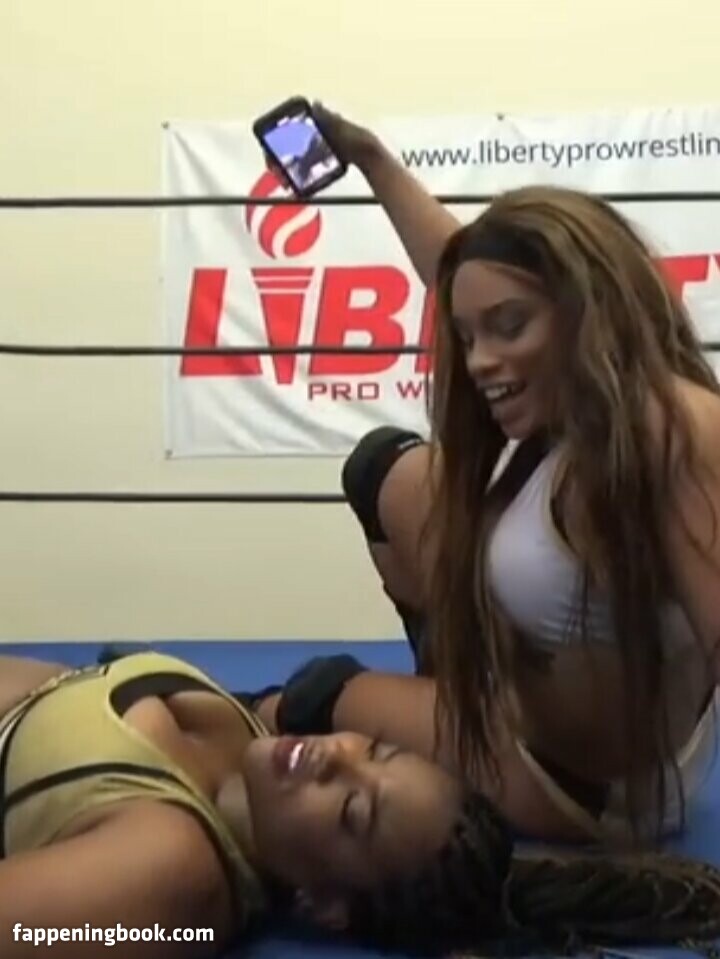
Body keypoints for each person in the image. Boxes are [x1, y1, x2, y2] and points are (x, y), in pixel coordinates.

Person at [257, 102, 720, 847]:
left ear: (589, 310)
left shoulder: (670, 428)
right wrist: (371, 158)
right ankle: (445, 673)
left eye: (509, 328)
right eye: (468, 336)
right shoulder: (585, 401)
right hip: (537, 696)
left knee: (315, 694)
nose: (478, 362)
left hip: (573, 781)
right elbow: (461, 273)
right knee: (383, 468)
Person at [2, 648, 720, 958]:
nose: (335, 758)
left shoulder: (169, 865)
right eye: (374, 751)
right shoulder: (257, 737)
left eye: (352, 811)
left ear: (324, 904)